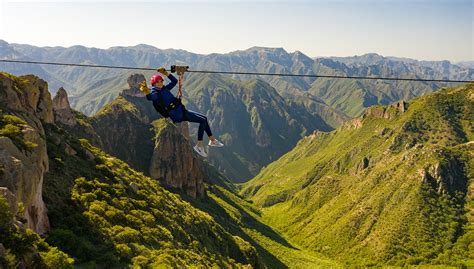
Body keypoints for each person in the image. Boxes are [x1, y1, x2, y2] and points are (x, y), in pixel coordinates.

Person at [139, 67, 223, 157]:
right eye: (158, 82)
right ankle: (199, 146)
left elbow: (174, 81)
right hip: (177, 114)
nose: (160, 83)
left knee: (204, 118)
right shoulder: (155, 93)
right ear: (154, 84)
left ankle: (212, 140)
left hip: (181, 110)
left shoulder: (164, 89)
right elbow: (151, 98)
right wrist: (146, 91)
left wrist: (166, 73)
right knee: (202, 121)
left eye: (161, 81)